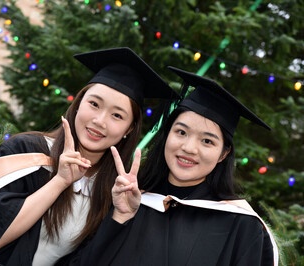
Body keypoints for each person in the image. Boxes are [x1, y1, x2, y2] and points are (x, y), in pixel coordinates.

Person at [0, 47, 178, 266]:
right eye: (94, 104)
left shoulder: (115, 190)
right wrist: (59, 181)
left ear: (129, 129)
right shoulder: (26, 151)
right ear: (78, 103)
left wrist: (120, 217)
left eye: (117, 115)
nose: (100, 121)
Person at [59, 66, 279, 265]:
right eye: (181, 132)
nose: (189, 148)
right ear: (167, 136)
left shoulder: (241, 226)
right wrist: (118, 218)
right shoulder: (129, 199)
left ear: (224, 154)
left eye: (207, 141)